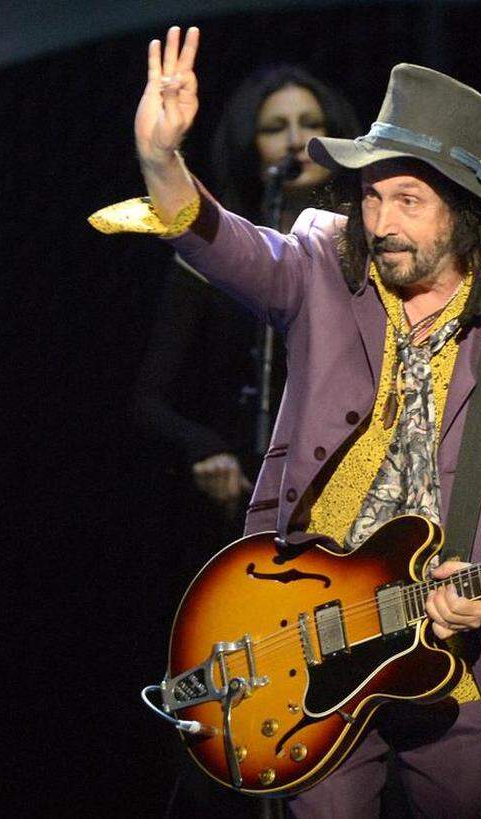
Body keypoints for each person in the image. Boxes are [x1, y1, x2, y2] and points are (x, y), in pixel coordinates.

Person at [95, 26, 481, 816]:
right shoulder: (326, 260)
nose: (381, 220)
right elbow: (229, 248)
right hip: (311, 632)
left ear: (464, 212)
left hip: (455, 655)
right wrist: (162, 162)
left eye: (407, 200)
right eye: (370, 194)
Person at [130, 64, 360, 531]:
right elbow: (149, 402)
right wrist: (206, 448)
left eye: (311, 125)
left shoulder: (376, 247)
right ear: (249, 146)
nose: (297, 140)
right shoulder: (214, 257)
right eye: (276, 128)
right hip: (246, 494)